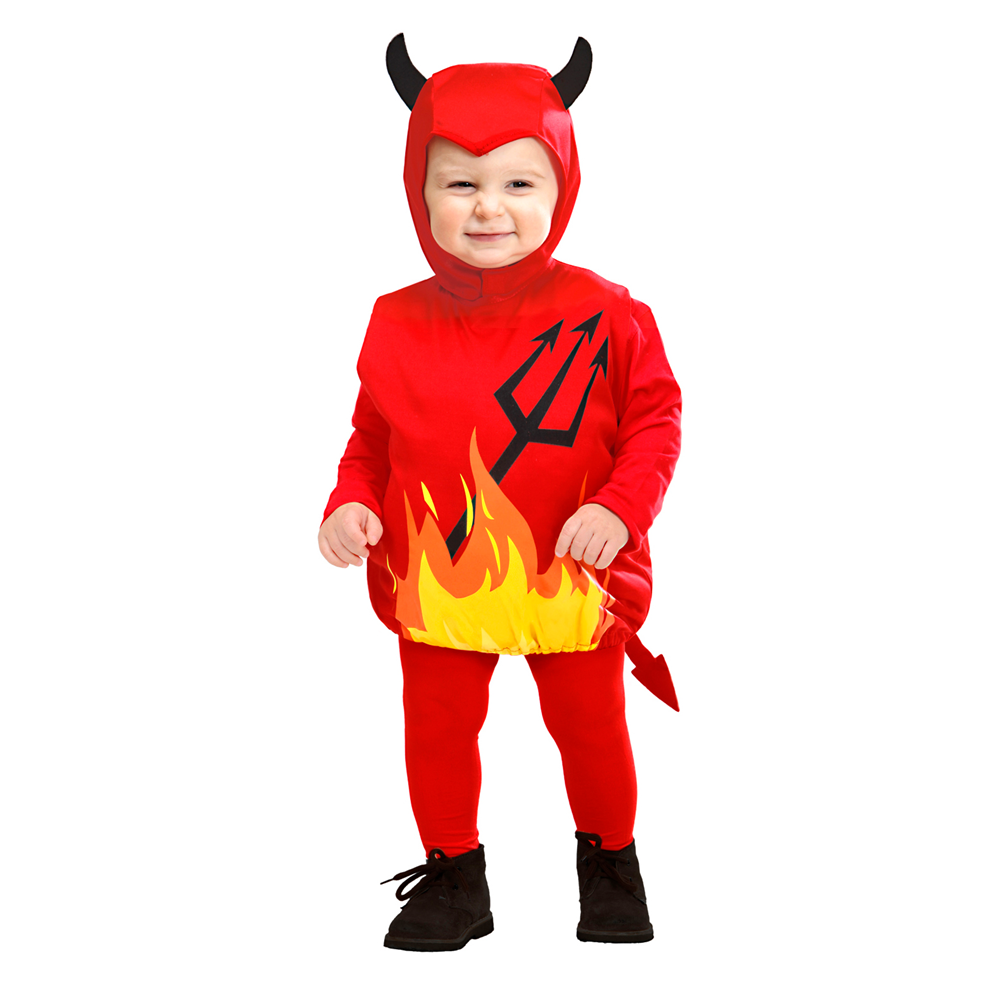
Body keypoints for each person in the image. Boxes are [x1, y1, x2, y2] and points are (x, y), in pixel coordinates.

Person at [318, 35, 682, 950]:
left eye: (518, 182)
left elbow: (655, 420)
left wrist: (618, 507)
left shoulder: (608, 313)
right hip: (437, 571)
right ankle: (454, 878)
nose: (488, 206)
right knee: (437, 732)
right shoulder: (395, 320)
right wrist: (349, 502)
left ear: (561, 188)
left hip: (569, 572)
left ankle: (611, 867)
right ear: (419, 190)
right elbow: (372, 438)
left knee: (590, 729)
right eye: (459, 182)